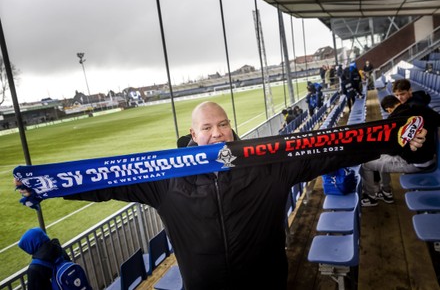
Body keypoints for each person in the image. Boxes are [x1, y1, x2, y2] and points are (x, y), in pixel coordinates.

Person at [16, 101, 427, 290]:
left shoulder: (269, 163)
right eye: (207, 128)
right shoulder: (162, 179)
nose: (217, 133)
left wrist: (391, 138)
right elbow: (105, 180)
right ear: (192, 137)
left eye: (223, 125)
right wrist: (48, 185)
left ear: (231, 129)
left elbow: (330, 148)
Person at [360, 95, 440, 206]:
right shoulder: (420, 108)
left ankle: (371, 197)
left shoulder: (395, 120)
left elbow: (393, 150)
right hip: (429, 157)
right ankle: (385, 192)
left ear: (389, 110)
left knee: (366, 164)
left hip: (417, 163)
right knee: (382, 156)